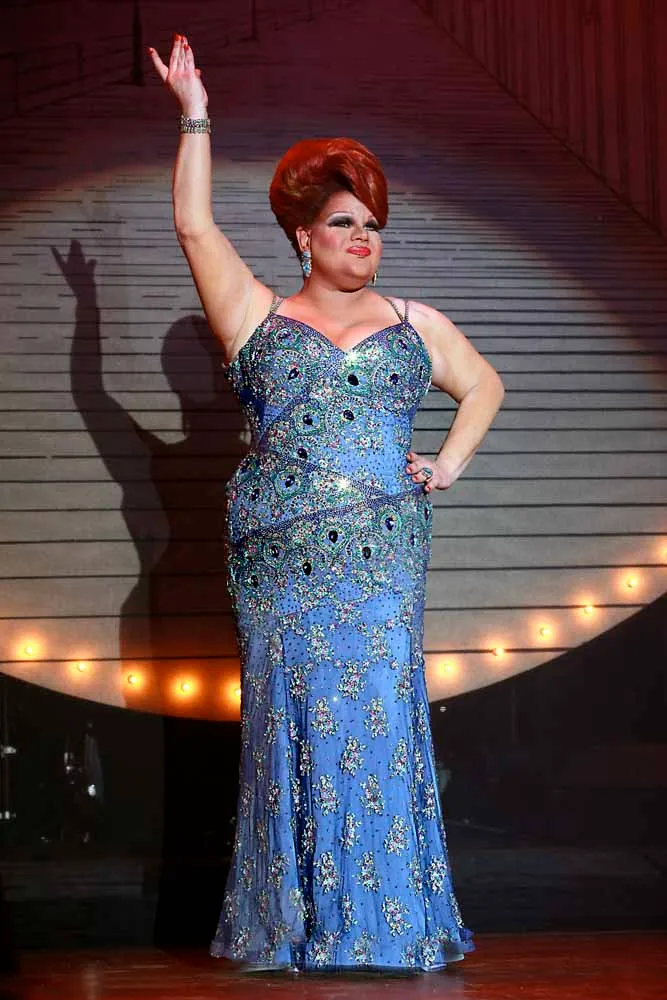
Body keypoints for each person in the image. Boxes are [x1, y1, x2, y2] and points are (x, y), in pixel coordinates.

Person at [149, 33, 505, 973]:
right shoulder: (256, 316)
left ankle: (383, 922)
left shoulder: (414, 323)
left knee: (376, 715)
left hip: (381, 551)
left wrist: (447, 465)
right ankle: (299, 922)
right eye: (344, 222)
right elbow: (193, 227)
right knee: (289, 718)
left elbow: (484, 386)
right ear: (304, 235)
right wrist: (194, 115)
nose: (363, 239)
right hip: (278, 551)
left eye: (373, 226)